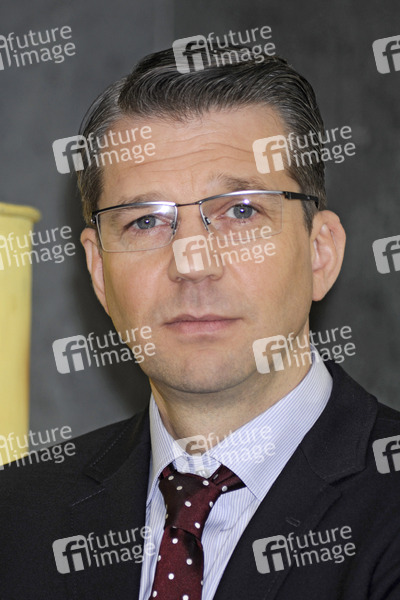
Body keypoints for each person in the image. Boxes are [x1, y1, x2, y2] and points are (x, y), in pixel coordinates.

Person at [1, 44, 400, 600]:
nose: (192, 264)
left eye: (241, 211)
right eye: (145, 222)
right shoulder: (16, 514)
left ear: (319, 253)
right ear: (98, 271)